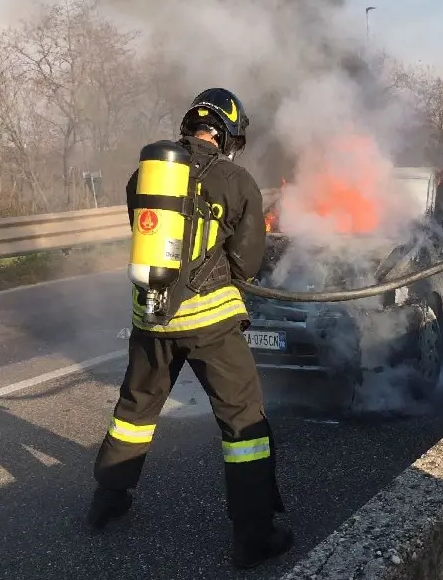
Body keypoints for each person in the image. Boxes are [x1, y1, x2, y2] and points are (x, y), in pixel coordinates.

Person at [86, 88, 294, 569]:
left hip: (150, 317)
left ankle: (108, 498)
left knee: (134, 412)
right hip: (210, 324)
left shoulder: (146, 175)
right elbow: (246, 264)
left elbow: (145, 236)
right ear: (228, 134)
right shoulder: (235, 179)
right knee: (244, 424)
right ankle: (254, 536)